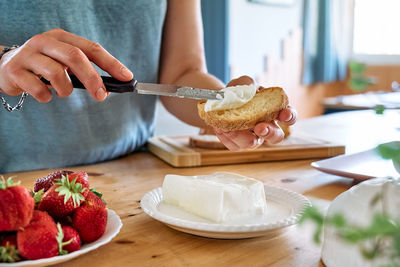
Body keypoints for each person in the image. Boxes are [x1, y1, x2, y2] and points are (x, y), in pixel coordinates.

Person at [0, 0, 297, 174]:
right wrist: (4, 59)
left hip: (133, 170)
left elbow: (183, 72)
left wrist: (229, 108)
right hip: (15, 180)